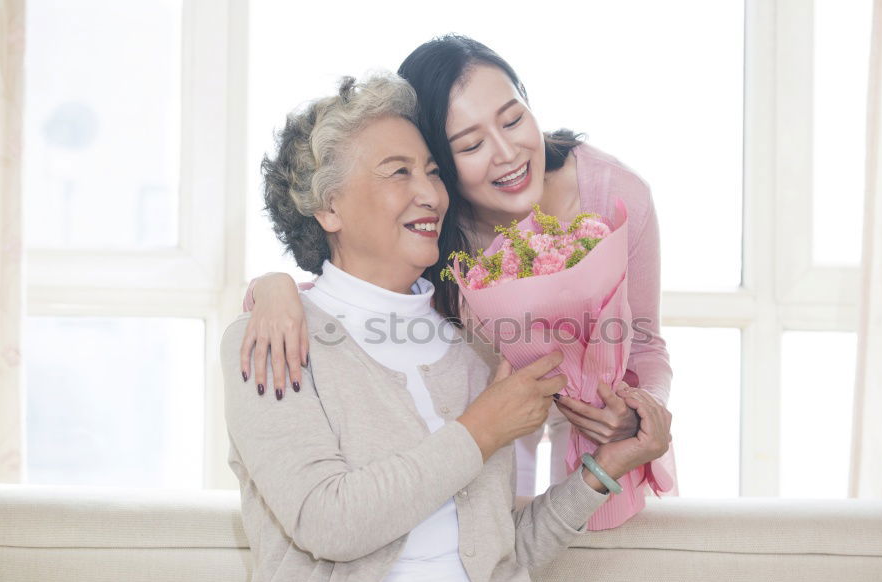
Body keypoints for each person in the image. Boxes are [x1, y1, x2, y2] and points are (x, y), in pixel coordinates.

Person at [221, 74, 672, 582]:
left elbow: (498, 552)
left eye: (433, 171)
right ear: (329, 205)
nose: (431, 193)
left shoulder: (475, 346)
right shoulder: (273, 336)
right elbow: (325, 521)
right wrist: (481, 430)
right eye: (399, 172)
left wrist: (601, 471)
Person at [240, 35, 677, 502]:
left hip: (594, 419)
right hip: (490, 407)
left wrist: (640, 409)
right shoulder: (433, 222)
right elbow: (354, 287)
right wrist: (271, 287)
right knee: (500, 522)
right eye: (470, 146)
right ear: (439, 162)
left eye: (513, 120)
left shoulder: (612, 194)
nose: (507, 154)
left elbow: (646, 345)